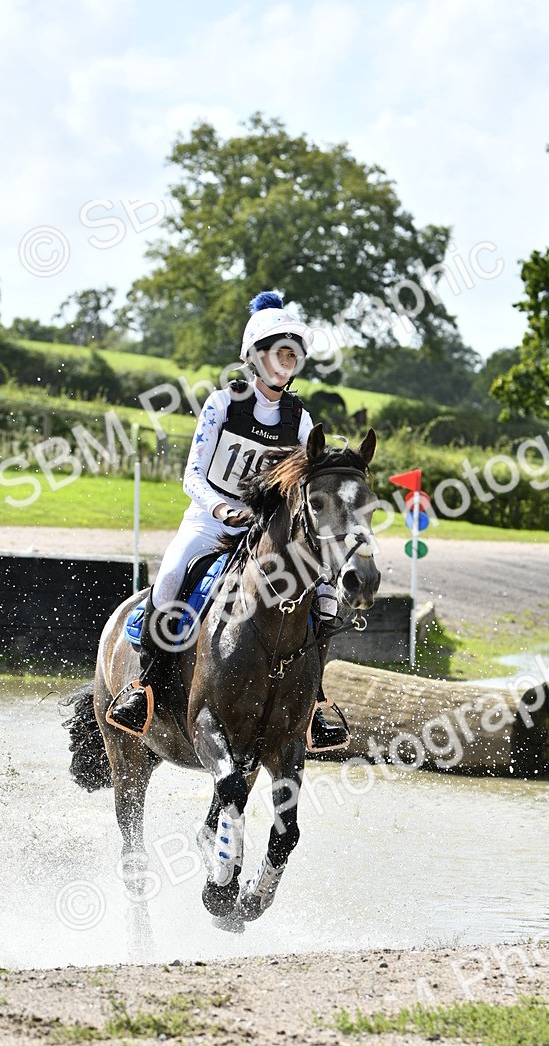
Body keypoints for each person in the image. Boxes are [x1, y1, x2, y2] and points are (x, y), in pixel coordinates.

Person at [108, 291, 349, 750]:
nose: (289, 361)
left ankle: (315, 702)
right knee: (171, 577)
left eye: (295, 355)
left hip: (264, 532)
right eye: (281, 352)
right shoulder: (224, 403)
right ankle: (143, 686)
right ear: (256, 357)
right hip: (209, 520)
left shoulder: (300, 418)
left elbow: (309, 479)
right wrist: (221, 508)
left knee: (324, 595)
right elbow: (192, 475)